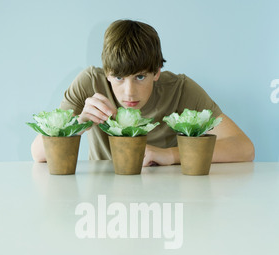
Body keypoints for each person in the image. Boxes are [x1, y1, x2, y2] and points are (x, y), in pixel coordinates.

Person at [31, 20, 255, 165]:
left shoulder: (180, 89)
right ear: (107, 73)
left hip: (166, 197)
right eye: (119, 78)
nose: (129, 93)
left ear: (157, 72)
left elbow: (244, 148)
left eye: (140, 77)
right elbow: (38, 154)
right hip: (102, 200)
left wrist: (168, 155)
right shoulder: (89, 82)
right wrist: (78, 123)